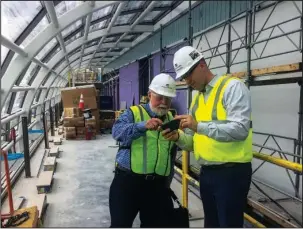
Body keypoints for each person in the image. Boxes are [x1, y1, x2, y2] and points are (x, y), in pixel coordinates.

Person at [162, 46, 253, 227]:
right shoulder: (197, 98)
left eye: (189, 74)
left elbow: (241, 129)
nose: (187, 81)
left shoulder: (232, 87)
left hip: (231, 174)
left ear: (202, 64)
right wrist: (177, 137)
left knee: (229, 224)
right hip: (207, 174)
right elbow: (194, 143)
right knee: (211, 224)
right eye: (183, 77)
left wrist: (199, 126)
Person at [109, 73, 178, 228]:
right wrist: (142, 126)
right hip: (128, 184)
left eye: (168, 99)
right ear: (149, 95)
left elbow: (172, 154)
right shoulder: (133, 113)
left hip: (157, 187)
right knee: (120, 224)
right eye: (159, 97)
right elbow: (117, 132)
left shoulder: (172, 121)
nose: (163, 103)